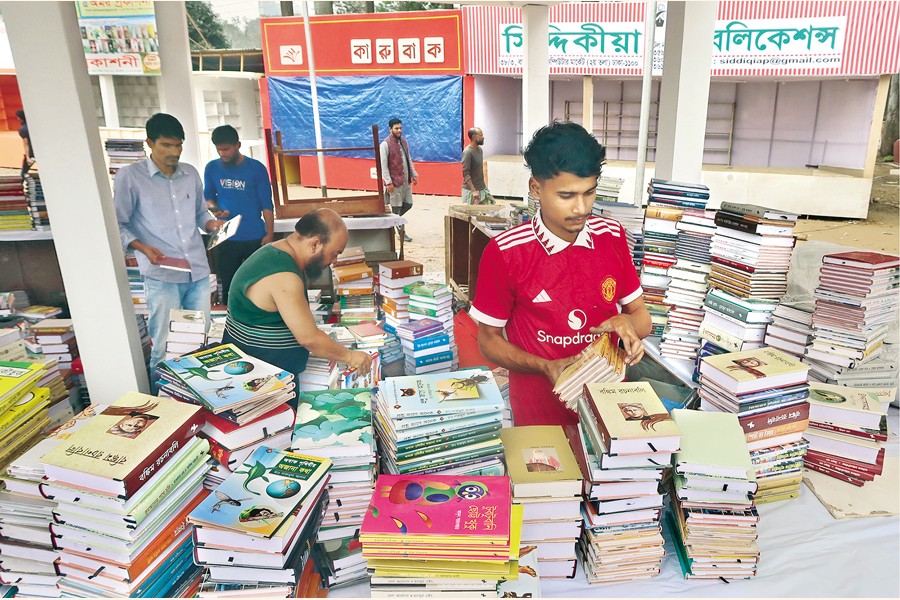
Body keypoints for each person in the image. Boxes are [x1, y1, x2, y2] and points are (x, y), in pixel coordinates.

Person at [468, 122, 651, 427]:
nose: (581, 208)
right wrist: (544, 366)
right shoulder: (506, 252)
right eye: (567, 195)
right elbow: (488, 339)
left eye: (589, 193)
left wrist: (627, 323)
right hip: (539, 417)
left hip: (608, 413)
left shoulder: (613, 236)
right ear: (536, 188)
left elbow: (641, 318)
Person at [115, 113, 225, 376]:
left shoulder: (190, 174)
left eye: (178, 145)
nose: (173, 152)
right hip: (162, 275)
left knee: (201, 341)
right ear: (149, 143)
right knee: (165, 345)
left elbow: (200, 214)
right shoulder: (130, 177)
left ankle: (199, 400)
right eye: (166, 145)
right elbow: (118, 224)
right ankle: (162, 404)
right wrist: (142, 248)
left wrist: (212, 225)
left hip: (197, 272)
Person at [223, 208, 372, 389]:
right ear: (315, 244)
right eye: (334, 253)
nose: (333, 261)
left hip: (262, 370)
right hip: (259, 382)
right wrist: (350, 356)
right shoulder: (284, 275)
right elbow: (308, 338)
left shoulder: (277, 250)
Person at [204, 124, 275, 304]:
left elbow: (267, 203)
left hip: (254, 236)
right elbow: (208, 198)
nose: (223, 154)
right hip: (226, 237)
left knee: (258, 284)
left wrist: (270, 233)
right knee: (229, 286)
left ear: (238, 145)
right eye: (219, 150)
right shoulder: (211, 168)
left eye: (226, 149)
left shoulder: (256, 168)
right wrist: (215, 210)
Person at [379, 118, 417, 243]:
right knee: (396, 208)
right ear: (390, 129)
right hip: (394, 182)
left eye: (400, 128)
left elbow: (408, 158)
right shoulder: (385, 144)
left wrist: (414, 174)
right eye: (396, 128)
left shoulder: (404, 141)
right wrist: (388, 182)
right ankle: (401, 232)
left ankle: (393, 221)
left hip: (406, 181)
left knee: (408, 204)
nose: (399, 130)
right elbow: (383, 165)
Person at [462, 127, 494, 205]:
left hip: (482, 190)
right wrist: (473, 190)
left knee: (488, 212)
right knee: (470, 215)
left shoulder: (479, 150)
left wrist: (486, 189)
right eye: (481, 135)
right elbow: (465, 173)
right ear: (474, 137)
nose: (483, 137)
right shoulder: (468, 152)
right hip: (470, 191)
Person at [15, 110, 34, 181]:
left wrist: (27, 157)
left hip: (31, 152)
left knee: (24, 171)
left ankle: (20, 185)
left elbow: (26, 144)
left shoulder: (23, 129)